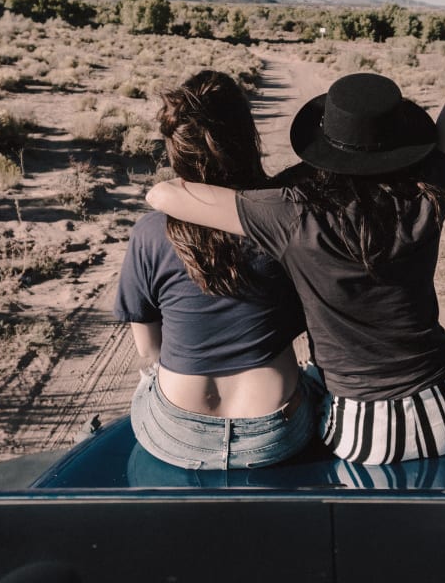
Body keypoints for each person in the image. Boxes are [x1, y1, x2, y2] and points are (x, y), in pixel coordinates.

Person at [146, 0, 445, 464]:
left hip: (364, 429)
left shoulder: (293, 212)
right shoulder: (429, 190)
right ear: (402, 143)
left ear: (327, 144)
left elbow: (165, 196)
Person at [114, 70, 314, 470]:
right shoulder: (285, 222)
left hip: (176, 433)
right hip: (275, 432)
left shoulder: (151, 233)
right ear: (247, 138)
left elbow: (148, 349)